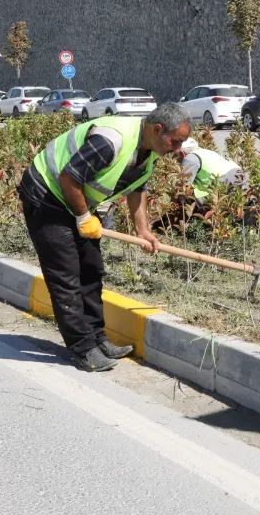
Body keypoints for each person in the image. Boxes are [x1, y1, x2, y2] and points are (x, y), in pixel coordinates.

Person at [17, 103, 191, 372]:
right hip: (47, 195)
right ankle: (83, 348)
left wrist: (143, 230)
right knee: (66, 275)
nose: (178, 148)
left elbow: (137, 186)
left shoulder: (151, 147)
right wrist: (84, 217)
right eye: (176, 141)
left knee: (91, 269)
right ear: (158, 130)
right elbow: (69, 177)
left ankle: (97, 337)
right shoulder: (111, 140)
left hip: (76, 202)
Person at [180, 138, 247, 206]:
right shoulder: (204, 152)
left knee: (193, 199)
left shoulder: (190, 158)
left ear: (181, 153)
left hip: (227, 180)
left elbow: (184, 186)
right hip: (241, 175)